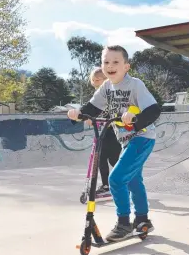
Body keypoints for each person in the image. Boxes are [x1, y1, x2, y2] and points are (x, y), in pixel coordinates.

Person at [67, 45, 161, 242]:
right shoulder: (106, 87)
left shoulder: (135, 85)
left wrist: (135, 119)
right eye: (106, 62)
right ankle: (143, 219)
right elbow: (92, 108)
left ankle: (124, 223)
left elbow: (153, 110)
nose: (110, 66)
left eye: (115, 62)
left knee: (117, 179)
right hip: (126, 141)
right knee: (133, 180)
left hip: (142, 138)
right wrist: (78, 114)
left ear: (126, 66)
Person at [87, 67, 122, 195]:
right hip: (103, 133)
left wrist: (97, 118)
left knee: (114, 160)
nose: (95, 83)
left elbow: (109, 111)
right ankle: (106, 185)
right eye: (93, 80)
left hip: (114, 132)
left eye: (98, 80)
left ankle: (126, 182)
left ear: (106, 79)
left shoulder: (111, 92)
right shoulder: (98, 95)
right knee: (100, 159)